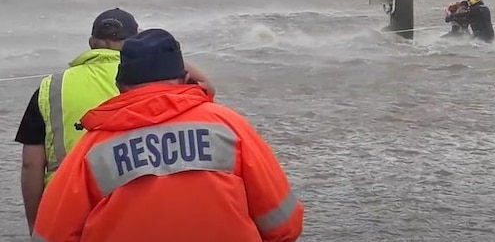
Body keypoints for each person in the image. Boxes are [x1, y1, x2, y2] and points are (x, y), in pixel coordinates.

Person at [30, 28, 304, 242]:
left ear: (119, 86)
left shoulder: (91, 149)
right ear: (185, 78)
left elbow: (51, 234)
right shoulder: (230, 127)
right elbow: (284, 225)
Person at [15, 8, 215, 235]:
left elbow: (30, 165)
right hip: (136, 203)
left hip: (65, 206)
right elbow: (206, 88)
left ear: (91, 43)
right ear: (135, 41)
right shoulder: (154, 81)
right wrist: (159, 51)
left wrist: (36, 225)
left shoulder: (51, 87)